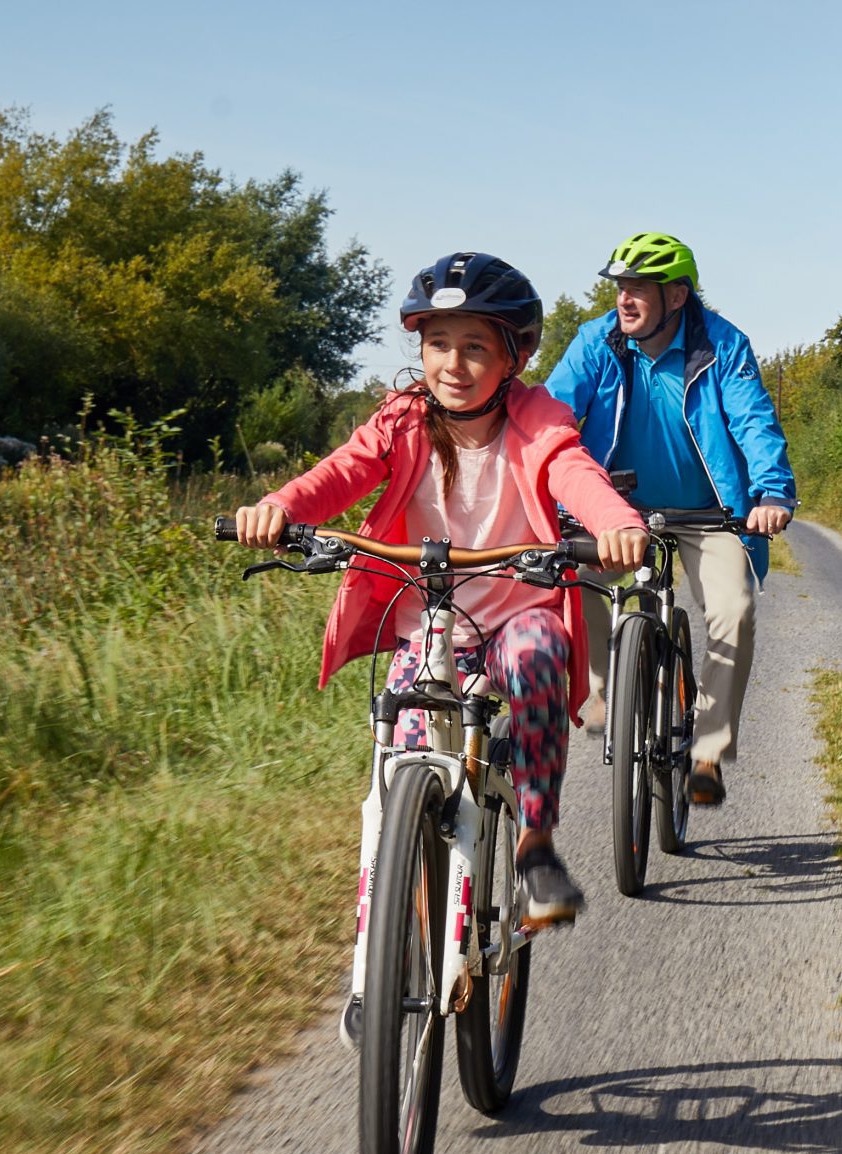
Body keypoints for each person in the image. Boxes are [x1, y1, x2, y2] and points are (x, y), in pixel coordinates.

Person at [234, 252, 648, 1040]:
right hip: (430, 623)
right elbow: (339, 475)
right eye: (438, 345)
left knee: (536, 660)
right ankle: (394, 953)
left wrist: (615, 526)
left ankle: (533, 846)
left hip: (513, 609)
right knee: (402, 778)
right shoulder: (400, 420)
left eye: (475, 348)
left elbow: (576, 475)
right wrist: (277, 506)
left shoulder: (539, 422)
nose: (453, 365)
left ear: (514, 358)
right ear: (419, 350)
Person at [544, 231, 796, 806]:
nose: (624, 299)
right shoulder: (596, 342)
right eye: (620, 287)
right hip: (615, 510)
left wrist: (772, 494)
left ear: (676, 297)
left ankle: (708, 748)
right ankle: (608, 689)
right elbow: (552, 418)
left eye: (638, 288)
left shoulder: (723, 346)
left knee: (735, 609)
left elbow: (753, 422)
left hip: (710, 512)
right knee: (574, 577)